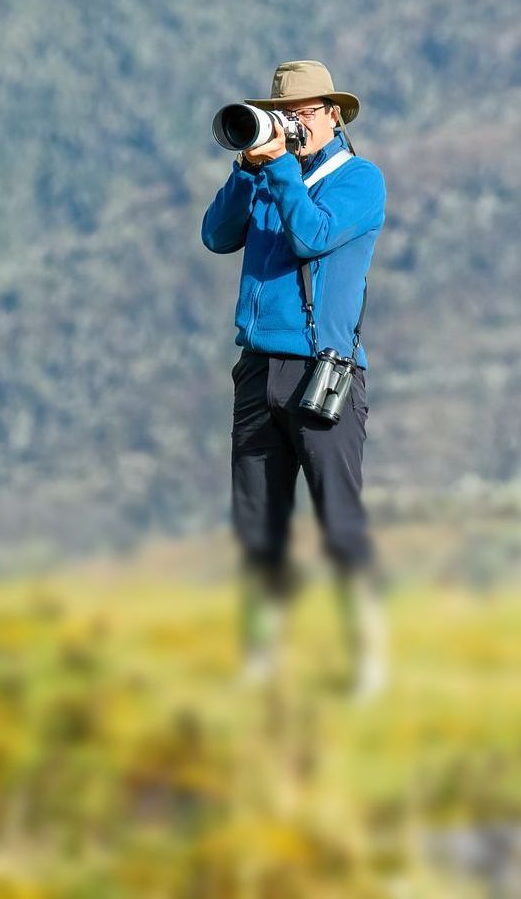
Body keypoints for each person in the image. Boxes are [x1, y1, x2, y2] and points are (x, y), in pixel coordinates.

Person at [201, 60, 388, 698]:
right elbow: (215, 235)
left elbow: (312, 236)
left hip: (322, 374)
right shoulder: (268, 176)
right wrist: (247, 167)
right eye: (285, 112)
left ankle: (367, 660)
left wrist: (280, 168)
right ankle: (260, 661)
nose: (293, 123)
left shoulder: (360, 181)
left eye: (305, 112)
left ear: (333, 115)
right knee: (258, 524)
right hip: (257, 371)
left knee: (338, 520)